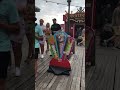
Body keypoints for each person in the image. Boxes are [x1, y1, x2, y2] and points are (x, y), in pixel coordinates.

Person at [0, 0, 20, 89]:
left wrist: (2, 24)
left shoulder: (9, 4)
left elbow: (17, 28)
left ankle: (17, 67)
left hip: (2, 48)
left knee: (1, 82)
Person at [9, 1, 26, 76]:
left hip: (18, 25)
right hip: (5, 23)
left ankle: (17, 67)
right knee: (6, 46)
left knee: (17, 47)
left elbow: (26, 10)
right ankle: (8, 64)